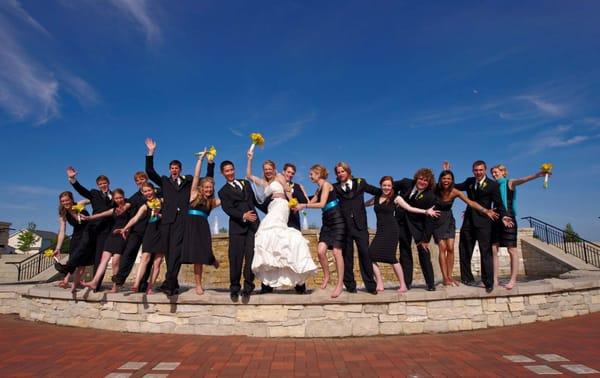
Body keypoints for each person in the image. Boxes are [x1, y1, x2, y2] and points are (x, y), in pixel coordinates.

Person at [145, 138, 215, 296]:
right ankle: (172, 284)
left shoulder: (188, 181)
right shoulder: (164, 181)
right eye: (172, 168)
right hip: (166, 221)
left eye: (176, 168)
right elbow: (150, 172)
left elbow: (204, 179)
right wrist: (151, 152)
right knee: (169, 254)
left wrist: (209, 163)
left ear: (180, 169)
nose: (174, 170)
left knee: (176, 252)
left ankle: (169, 284)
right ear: (169, 170)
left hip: (182, 220)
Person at [246, 149, 317, 293]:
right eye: (265, 169)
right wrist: (250, 158)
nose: (268, 171)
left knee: (277, 235)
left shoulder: (280, 177)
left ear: (274, 169)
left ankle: (299, 283)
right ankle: (269, 282)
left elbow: (288, 191)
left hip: (282, 206)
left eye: (270, 169)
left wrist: (293, 204)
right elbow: (248, 175)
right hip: (272, 207)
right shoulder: (264, 182)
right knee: (269, 238)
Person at [365, 176, 440, 292]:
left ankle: (403, 285)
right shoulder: (376, 198)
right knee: (369, 255)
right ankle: (379, 283)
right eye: (384, 185)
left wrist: (426, 211)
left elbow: (410, 208)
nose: (386, 187)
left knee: (391, 257)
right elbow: (363, 205)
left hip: (392, 229)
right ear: (380, 186)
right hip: (380, 230)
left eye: (389, 185)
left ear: (392, 186)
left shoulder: (396, 198)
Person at [433, 165, 498, 287]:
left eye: (449, 178)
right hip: (437, 220)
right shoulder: (435, 189)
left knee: (451, 248)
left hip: (449, 220)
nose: (446, 181)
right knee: (442, 248)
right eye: (444, 178)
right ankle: (445, 278)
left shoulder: (455, 191)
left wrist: (486, 210)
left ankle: (450, 277)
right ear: (440, 179)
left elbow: (471, 202)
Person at [454, 160, 511, 293]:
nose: (478, 172)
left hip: (484, 222)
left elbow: (499, 203)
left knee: (486, 252)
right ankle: (467, 278)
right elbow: (455, 186)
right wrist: (446, 173)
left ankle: (488, 282)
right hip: (468, 220)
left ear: (485, 170)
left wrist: (504, 215)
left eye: (480, 170)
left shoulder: (492, 185)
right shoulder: (469, 181)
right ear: (473, 171)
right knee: (464, 248)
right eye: (476, 170)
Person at [490, 164, 547, 290]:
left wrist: (538, 175)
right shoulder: (492, 186)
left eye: (496, 172)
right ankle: (494, 280)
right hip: (495, 217)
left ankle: (512, 280)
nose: (494, 174)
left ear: (503, 172)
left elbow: (523, 179)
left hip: (508, 216)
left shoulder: (510, 182)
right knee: (494, 248)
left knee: (512, 250)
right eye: (492, 173)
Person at [295, 164, 345, 298]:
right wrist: (304, 193)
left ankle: (340, 284)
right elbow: (310, 202)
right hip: (327, 222)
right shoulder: (318, 189)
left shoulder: (327, 185)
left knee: (336, 252)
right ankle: (326, 276)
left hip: (337, 220)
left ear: (318, 174)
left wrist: (304, 205)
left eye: (311, 174)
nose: (310, 176)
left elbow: (321, 204)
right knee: (320, 251)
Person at [333, 162, 378, 294]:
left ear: (348, 171)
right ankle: (350, 286)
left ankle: (371, 286)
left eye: (342, 171)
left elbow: (377, 191)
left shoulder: (360, 183)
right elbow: (321, 197)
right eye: (338, 172)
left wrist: (391, 190)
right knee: (347, 257)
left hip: (360, 226)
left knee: (365, 254)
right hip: (344, 227)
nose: (340, 174)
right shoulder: (335, 187)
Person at [218, 160, 260, 302]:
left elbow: (255, 201)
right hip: (237, 228)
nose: (230, 173)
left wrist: (274, 209)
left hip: (253, 227)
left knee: (251, 258)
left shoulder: (245, 183)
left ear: (234, 169)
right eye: (227, 171)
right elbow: (228, 209)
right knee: (235, 259)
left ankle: (248, 288)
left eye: (231, 170)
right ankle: (234, 288)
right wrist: (243, 216)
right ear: (222, 173)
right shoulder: (223, 191)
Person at [66, 167, 114, 291]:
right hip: (93, 227)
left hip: (106, 230)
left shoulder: (114, 196)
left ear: (108, 183)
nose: (103, 185)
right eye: (100, 184)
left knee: (99, 258)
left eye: (104, 183)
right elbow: (81, 190)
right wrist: (73, 179)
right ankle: (68, 268)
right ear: (97, 185)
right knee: (83, 247)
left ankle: (96, 284)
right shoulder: (94, 193)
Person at [181, 151, 220, 295]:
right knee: (196, 256)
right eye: (206, 187)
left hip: (202, 227)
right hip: (190, 227)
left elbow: (227, 200)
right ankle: (209, 261)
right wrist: (200, 160)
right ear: (201, 188)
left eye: (211, 187)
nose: (208, 189)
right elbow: (196, 176)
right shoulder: (193, 194)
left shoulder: (212, 202)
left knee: (201, 252)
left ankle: (209, 262)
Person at [117, 182, 164, 294]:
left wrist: (160, 215)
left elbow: (171, 215)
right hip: (150, 232)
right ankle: (136, 283)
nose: (148, 193)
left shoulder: (163, 201)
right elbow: (135, 219)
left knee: (157, 262)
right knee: (144, 258)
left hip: (162, 233)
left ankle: (150, 287)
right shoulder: (145, 206)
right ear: (143, 193)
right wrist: (125, 228)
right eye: (145, 191)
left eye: (149, 190)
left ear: (153, 190)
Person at [80, 189, 131, 292]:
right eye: (116, 198)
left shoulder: (129, 207)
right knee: (103, 260)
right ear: (114, 199)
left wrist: (126, 230)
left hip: (122, 235)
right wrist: (88, 218)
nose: (119, 200)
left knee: (115, 262)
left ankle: (115, 286)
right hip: (112, 236)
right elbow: (100, 214)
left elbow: (134, 220)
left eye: (120, 197)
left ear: (123, 196)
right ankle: (95, 282)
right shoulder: (114, 210)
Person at [111, 172, 155, 292]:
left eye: (142, 179)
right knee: (129, 252)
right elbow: (127, 205)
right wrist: (122, 210)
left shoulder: (155, 193)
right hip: (137, 230)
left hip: (151, 231)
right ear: (135, 183)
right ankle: (120, 277)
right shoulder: (134, 197)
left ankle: (142, 283)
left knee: (148, 258)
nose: (140, 182)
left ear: (146, 179)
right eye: (137, 181)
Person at [53, 192, 93, 292]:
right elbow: (62, 231)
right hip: (76, 236)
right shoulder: (63, 214)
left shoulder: (80, 204)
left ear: (71, 199)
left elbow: (93, 199)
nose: (65, 202)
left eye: (67, 200)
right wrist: (58, 248)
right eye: (62, 201)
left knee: (82, 263)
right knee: (73, 259)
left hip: (89, 234)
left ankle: (73, 284)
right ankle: (66, 280)